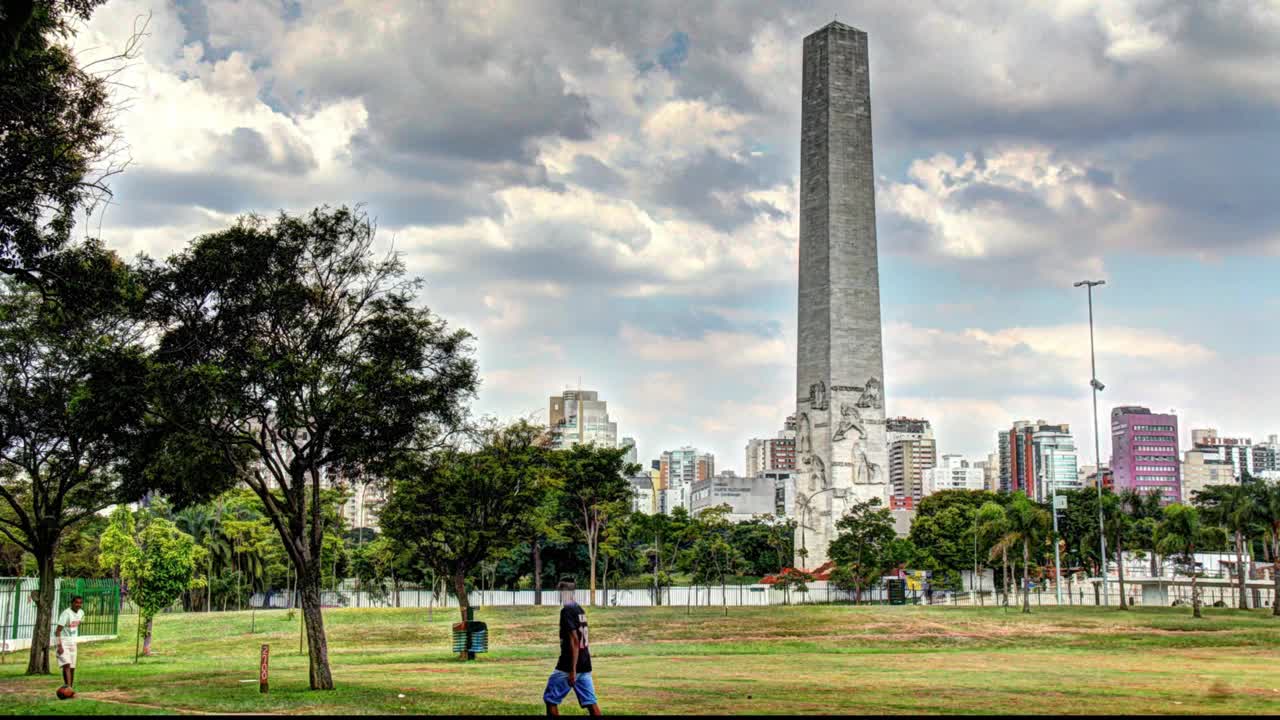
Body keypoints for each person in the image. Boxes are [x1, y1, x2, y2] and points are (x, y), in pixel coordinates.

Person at [543, 580, 600, 716]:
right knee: (591, 702)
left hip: (568, 666)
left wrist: (572, 670)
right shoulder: (579, 609)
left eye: (560, 592)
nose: (559, 595)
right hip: (585, 663)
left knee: (550, 699)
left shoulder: (567, 611)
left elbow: (574, 640)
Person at [55, 595, 85, 691]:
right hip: (63, 641)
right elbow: (57, 631)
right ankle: (68, 689)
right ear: (72, 603)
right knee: (66, 665)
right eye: (76, 602)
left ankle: (70, 689)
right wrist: (59, 645)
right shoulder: (66, 614)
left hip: (73, 642)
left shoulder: (81, 613)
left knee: (72, 667)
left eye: (80, 603)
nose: (78, 605)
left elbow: (77, 624)